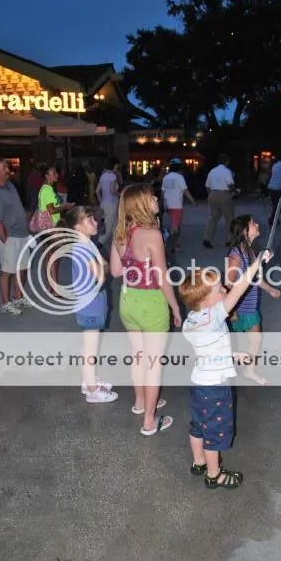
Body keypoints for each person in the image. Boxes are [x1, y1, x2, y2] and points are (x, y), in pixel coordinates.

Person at [178, 249, 272, 489]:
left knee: (198, 425)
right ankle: (214, 475)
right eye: (219, 290)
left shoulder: (191, 322)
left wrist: (232, 356)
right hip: (215, 388)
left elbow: (209, 350)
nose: (225, 291)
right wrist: (257, 262)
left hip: (199, 383)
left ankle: (198, 462)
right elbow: (240, 288)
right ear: (206, 302)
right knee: (215, 431)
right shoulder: (215, 317)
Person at [110, 183, 181, 435]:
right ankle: (150, 421)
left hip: (128, 300)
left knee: (138, 355)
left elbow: (115, 271)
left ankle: (140, 402)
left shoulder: (121, 232)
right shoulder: (152, 235)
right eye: (152, 197)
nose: (156, 199)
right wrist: (175, 307)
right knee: (153, 364)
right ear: (142, 203)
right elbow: (162, 276)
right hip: (151, 303)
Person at [59, 206, 119, 403]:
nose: (95, 222)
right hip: (91, 304)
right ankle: (92, 390)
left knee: (89, 346)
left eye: (94, 218)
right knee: (90, 349)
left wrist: (103, 264)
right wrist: (103, 265)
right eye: (90, 220)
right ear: (78, 227)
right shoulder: (85, 249)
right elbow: (102, 276)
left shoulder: (86, 246)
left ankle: (88, 380)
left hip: (91, 303)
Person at [227, 215, 281, 384]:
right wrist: (232, 311)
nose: (257, 224)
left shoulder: (250, 251)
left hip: (249, 307)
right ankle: (222, 370)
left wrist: (270, 289)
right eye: (252, 223)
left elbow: (255, 278)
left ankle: (249, 371)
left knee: (256, 340)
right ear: (244, 231)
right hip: (238, 307)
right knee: (228, 343)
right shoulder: (236, 256)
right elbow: (228, 284)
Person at [0, 156, 32, 316]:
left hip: (22, 234)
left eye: (7, 166)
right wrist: (6, 241)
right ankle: (6, 303)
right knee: (7, 271)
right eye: (4, 167)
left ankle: (18, 297)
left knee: (22, 267)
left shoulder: (10, 185)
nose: (7, 169)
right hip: (9, 237)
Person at [37, 164, 74, 295]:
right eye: (53, 173)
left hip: (46, 228)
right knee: (54, 258)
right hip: (51, 227)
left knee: (49, 257)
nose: (56, 175)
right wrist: (65, 206)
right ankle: (55, 289)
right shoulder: (47, 190)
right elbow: (51, 210)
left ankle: (50, 287)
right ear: (46, 176)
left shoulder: (45, 189)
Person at [202, 154, 237, 249]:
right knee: (229, 218)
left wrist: (211, 194)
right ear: (226, 162)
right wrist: (235, 191)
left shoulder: (212, 171)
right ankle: (229, 240)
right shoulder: (227, 171)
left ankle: (207, 239)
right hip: (224, 195)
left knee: (212, 218)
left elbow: (207, 185)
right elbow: (230, 185)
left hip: (213, 194)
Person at [161, 158, 196, 252]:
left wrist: (163, 203)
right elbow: (185, 191)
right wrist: (193, 201)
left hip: (167, 205)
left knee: (175, 224)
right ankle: (172, 245)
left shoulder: (166, 177)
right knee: (175, 227)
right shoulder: (180, 177)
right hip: (176, 205)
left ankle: (174, 243)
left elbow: (163, 192)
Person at [96, 157, 121, 245]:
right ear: (114, 165)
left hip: (104, 204)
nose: (117, 167)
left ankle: (117, 244)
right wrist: (121, 194)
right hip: (112, 204)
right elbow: (112, 191)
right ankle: (99, 243)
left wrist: (101, 202)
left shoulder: (103, 176)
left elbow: (97, 191)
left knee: (114, 225)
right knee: (109, 227)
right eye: (117, 165)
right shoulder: (113, 176)